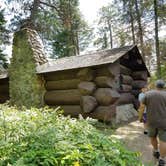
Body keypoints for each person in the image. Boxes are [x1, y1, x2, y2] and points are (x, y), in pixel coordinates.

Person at [141, 80, 166, 166]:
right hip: (164, 122)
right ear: (164, 86)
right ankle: (162, 160)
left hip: (151, 121)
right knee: (163, 141)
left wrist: (140, 117)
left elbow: (142, 106)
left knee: (152, 137)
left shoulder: (148, 94)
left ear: (155, 86)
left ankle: (156, 151)